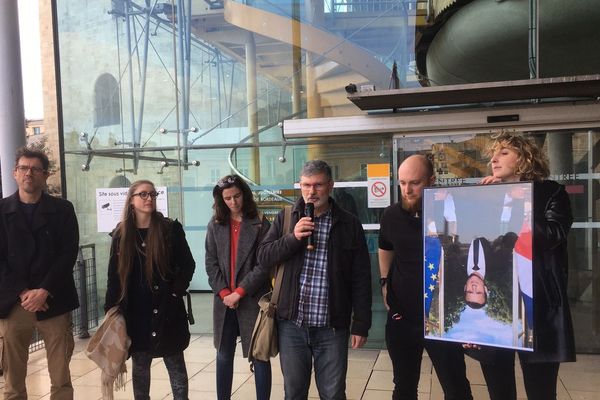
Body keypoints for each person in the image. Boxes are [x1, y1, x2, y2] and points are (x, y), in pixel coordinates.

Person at [257, 160, 372, 400]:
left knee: (333, 393)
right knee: (294, 392)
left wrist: (361, 323)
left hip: (331, 326)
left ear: (330, 186)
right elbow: (264, 256)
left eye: (318, 185)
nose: (312, 192)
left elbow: (361, 277)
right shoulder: (286, 217)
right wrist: (293, 237)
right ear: (300, 186)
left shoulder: (349, 223)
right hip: (292, 325)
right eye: (306, 185)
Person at [475, 131, 576, 400]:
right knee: (499, 390)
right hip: (498, 303)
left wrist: (518, 198)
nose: (494, 159)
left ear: (524, 158)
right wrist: (478, 202)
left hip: (537, 308)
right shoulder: (491, 194)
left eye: (504, 152)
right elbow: (481, 240)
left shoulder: (552, 192)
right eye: (493, 154)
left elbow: (553, 236)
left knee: (541, 391)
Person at [378, 154, 473, 400]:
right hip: (402, 318)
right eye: (402, 183)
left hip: (441, 318)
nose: (407, 190)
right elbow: (385, 247)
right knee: (404, 387)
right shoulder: (390, 215)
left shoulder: (452, 214)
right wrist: (384, 282)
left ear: (431, 181)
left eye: (415, 183)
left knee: (456, 388)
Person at [0, 147, 80, 400]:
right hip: (14, 302)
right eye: (23, 168)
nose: (29, 174)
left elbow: (68, 254)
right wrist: (23, 292)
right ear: (14, 173)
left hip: (53, 300)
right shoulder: (1, 211)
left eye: (36, 169)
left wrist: (44, 290)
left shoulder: (63, 209)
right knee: (12, 379)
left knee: (60, 377)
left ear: (45, 175)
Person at [104, 180, 195, 400]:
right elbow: (114, 275)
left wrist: (175, 292)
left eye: (152, 194)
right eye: (143, 194)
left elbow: (188, 264)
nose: (149, 198)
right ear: (131, 200)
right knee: (141, 368)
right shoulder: (121, 234)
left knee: (176, 367)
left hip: (167, 309)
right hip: (136, 311)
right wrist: (111, 309)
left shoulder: (169, 229)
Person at [205, 175, 272, 400]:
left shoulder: (261, 223)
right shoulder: (215, 225)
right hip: (224, 302)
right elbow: (211, 263)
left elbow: (264, 265)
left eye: (236, 196)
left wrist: (239, 293)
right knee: (224, 355)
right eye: (227, 198)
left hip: (252, 299)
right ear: (220, 200)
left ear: (244, 194)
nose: (233, 202)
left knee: (259, 355)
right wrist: (225, 293)